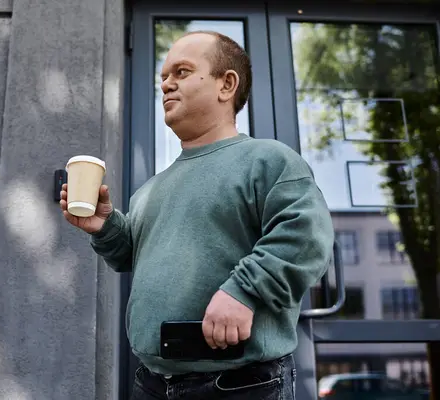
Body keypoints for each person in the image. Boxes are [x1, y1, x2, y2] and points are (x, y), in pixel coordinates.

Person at [60, 30, 334, 400]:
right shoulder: (152, 189)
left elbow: (306, 238)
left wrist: (244, 290)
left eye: (182, 72)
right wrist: (106, 227)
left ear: (227, 85)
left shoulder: (269, 161)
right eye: (163, 78)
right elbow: (129, 256)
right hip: (153, 383)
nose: (167, 85)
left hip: (241, 384)